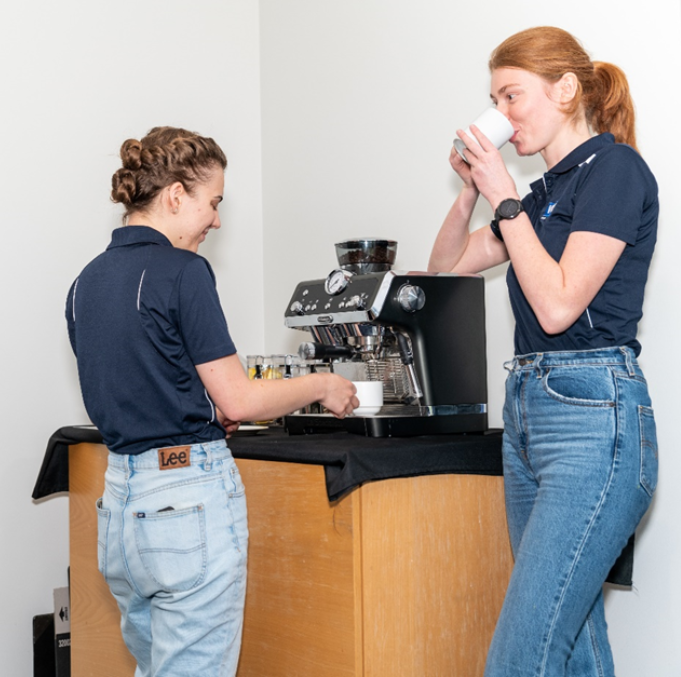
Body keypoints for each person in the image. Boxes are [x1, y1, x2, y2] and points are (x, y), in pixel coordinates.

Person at [65, 126, 358, 676]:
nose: (217, 220)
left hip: (121, 508)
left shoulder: (85, 282)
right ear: (176, 195)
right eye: (213, 202)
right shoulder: (184, 272)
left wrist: (200, 409)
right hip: (186, 503)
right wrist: (323, 384)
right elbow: (241, 399)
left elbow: (141, 382)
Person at [427, 27, 659, 677]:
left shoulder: (615, 171)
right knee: (576, 645)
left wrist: (504, 194)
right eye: (493, 101)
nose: (501, 116)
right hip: (531, 414)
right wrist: (474, 185)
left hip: (593, 416)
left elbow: (558, 307)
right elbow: (444, 268)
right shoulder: (538, 196)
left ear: (564, 91)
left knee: (520, 656)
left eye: (511, 96)